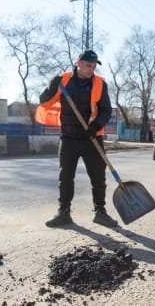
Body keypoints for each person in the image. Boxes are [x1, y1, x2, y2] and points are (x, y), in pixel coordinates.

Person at [36, 50, 118, 228]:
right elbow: (44, 100)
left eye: (94, 66)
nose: (92, 69)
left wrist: (95, 126)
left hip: (91, 138)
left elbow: (106, 110)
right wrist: (52, 86)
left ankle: (100, 212)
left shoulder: (99, 84)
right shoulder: (63, 80)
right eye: (89, 65)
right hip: (69, 138)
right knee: (65, 177)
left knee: (98, 177)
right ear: (78, 63)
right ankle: (63, 212)